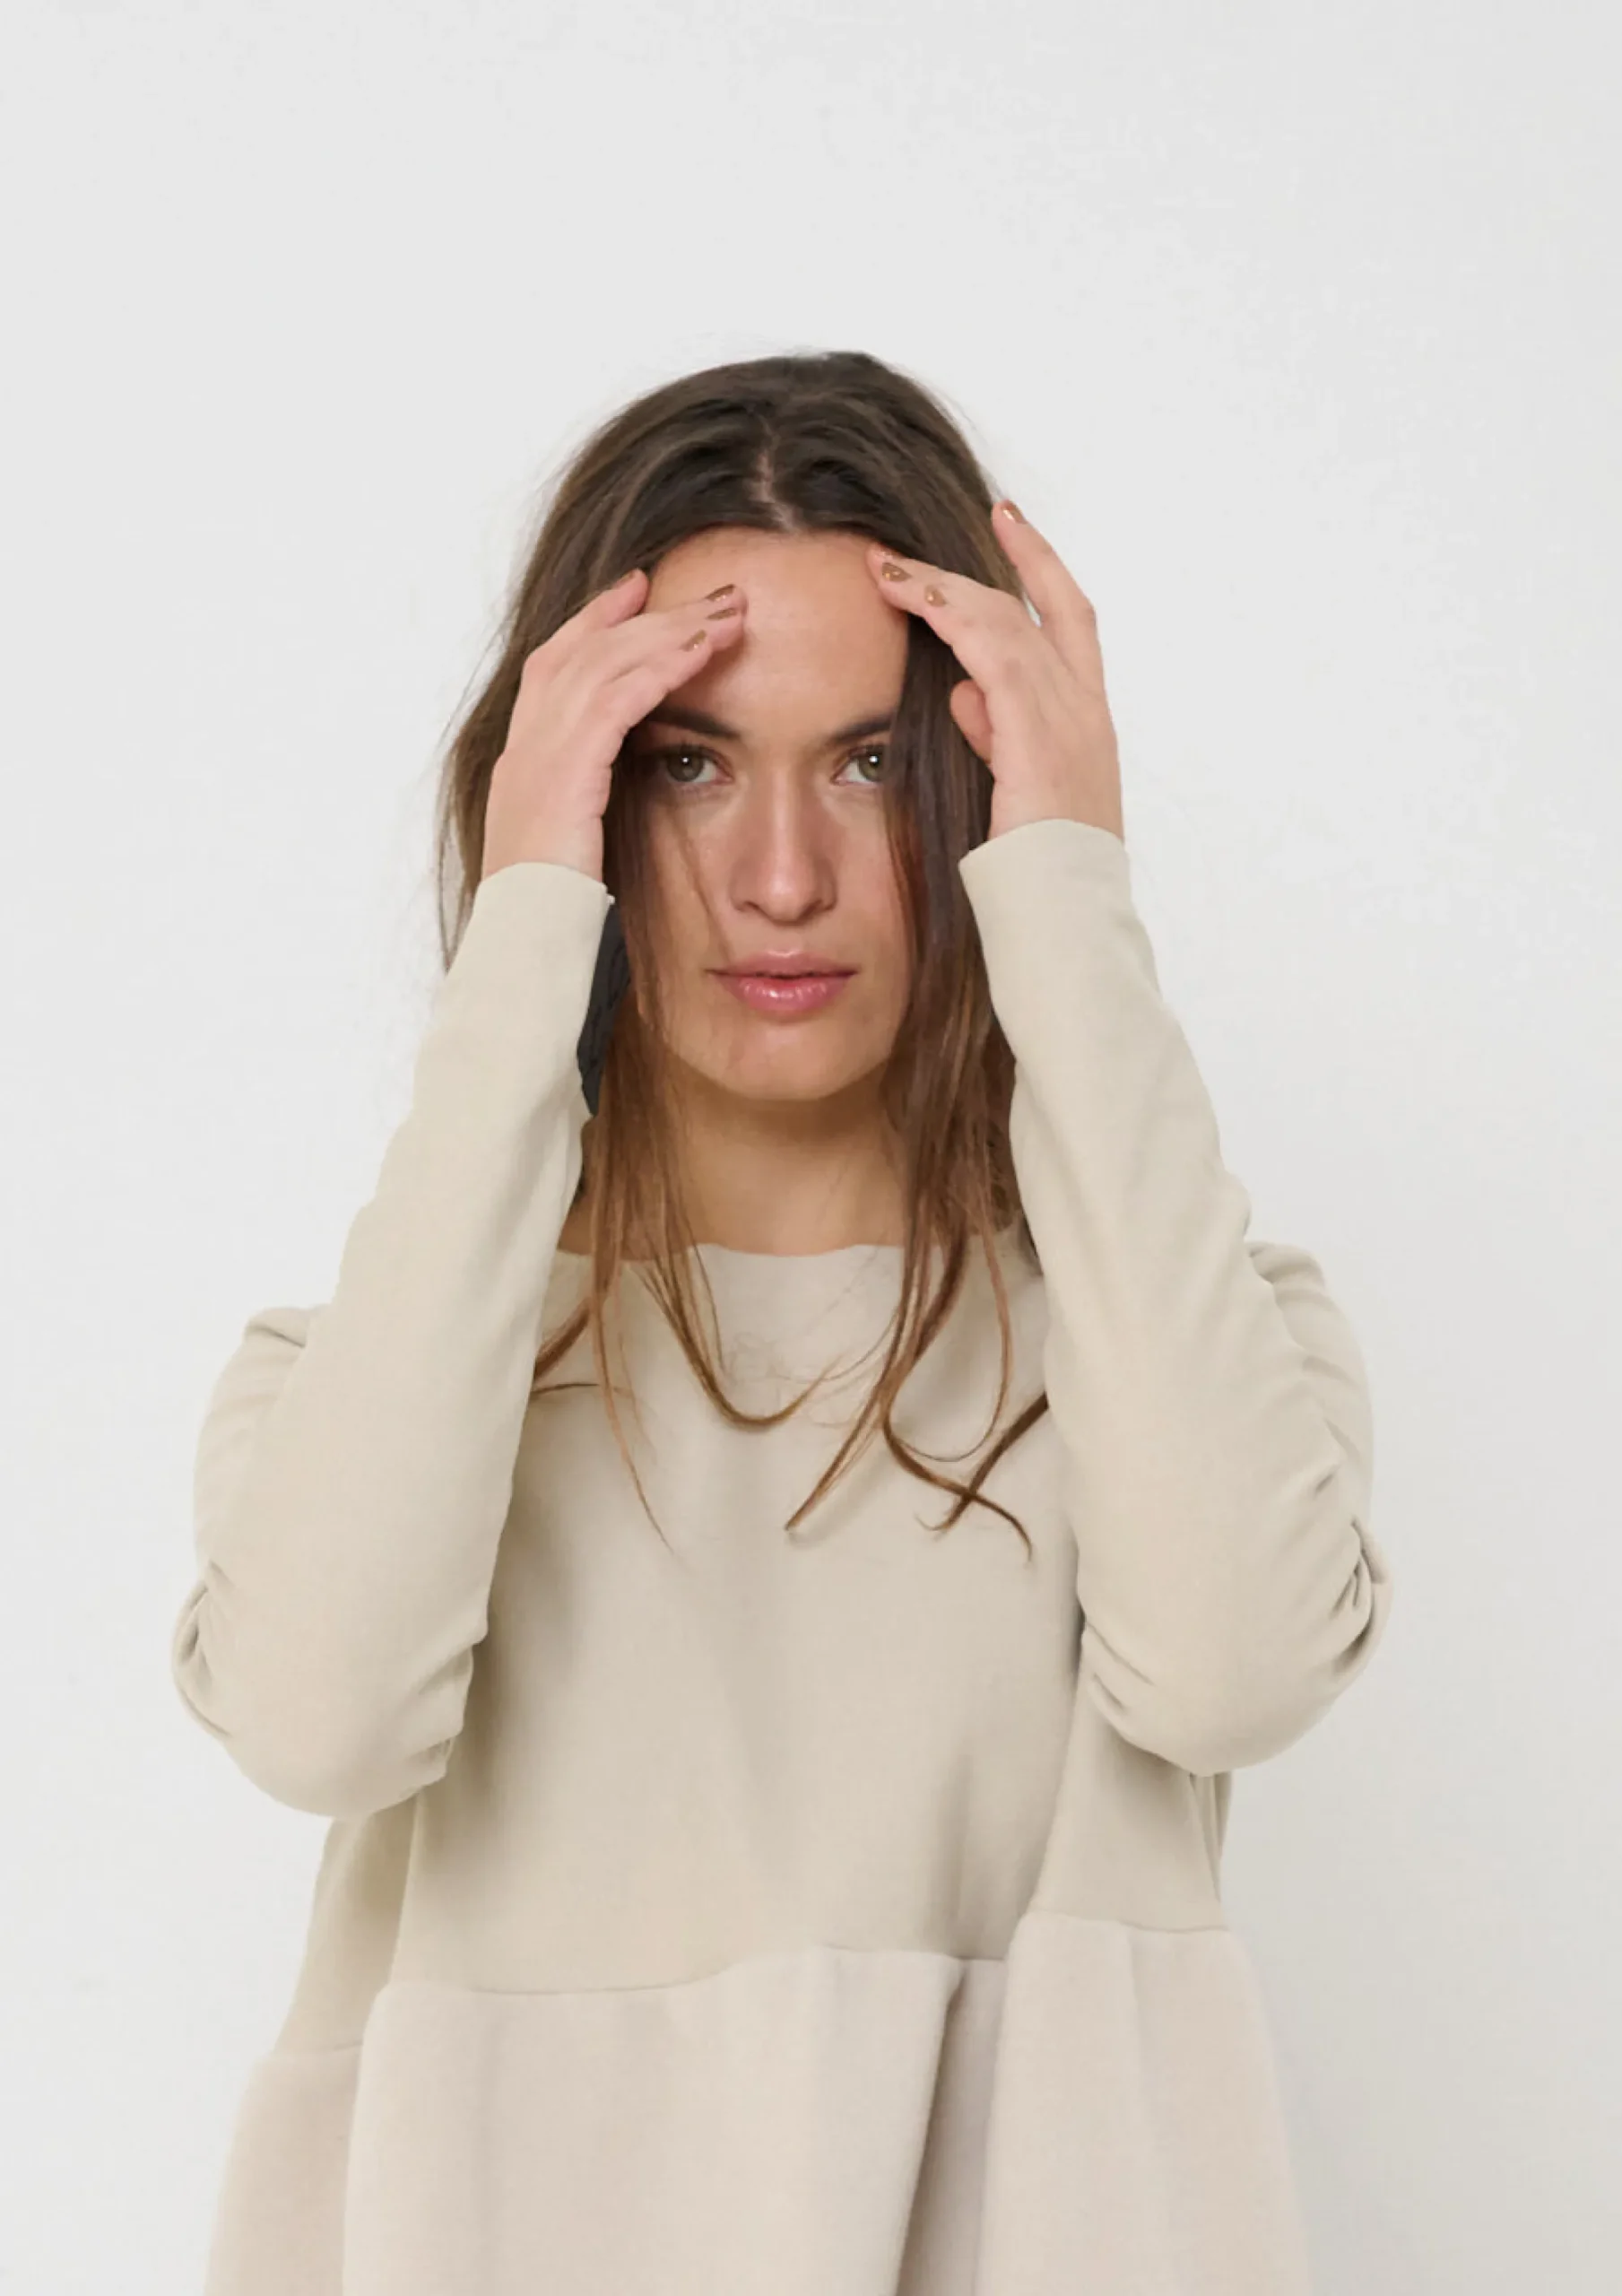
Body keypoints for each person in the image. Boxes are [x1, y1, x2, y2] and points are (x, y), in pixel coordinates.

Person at [169, 349, 1394, 2296]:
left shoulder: (1179, 1345)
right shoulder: (369, 1383)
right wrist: (524, 941)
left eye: (872, 763)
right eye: (687, 761)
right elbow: (322, 1716)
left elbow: (1234, 1672)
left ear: (979, 787)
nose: (781, 878)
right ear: (572, 795)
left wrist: (1068, 902)